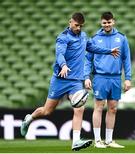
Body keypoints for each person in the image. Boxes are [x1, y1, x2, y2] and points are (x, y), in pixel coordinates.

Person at [20, 12, 119, 151]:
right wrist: (64, 65)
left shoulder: (84, 36)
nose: (78, 28)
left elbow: (92, 47)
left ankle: (76, 141)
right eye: (76, 25)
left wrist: (108, 51)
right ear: (70, 22)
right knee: (47, 111)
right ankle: (29, 119)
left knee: (80, 108)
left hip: (75, 81)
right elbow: (60, 54)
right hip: (60, 79)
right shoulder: (63, 38)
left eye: (81, 26)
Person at [84, 12, 131, 148]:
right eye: (104, 22)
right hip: (100, 77)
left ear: (113, 22)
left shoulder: (121, 38)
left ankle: (109, 140)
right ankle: (98, 140)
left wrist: (128, 78)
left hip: (116, 77)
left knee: (113, 108)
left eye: (109, 22)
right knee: (99, 107)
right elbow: (88, 60)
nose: (107, 25)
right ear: (101, 23)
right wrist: (86, 77)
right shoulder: (94, 39)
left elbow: (126, 59)